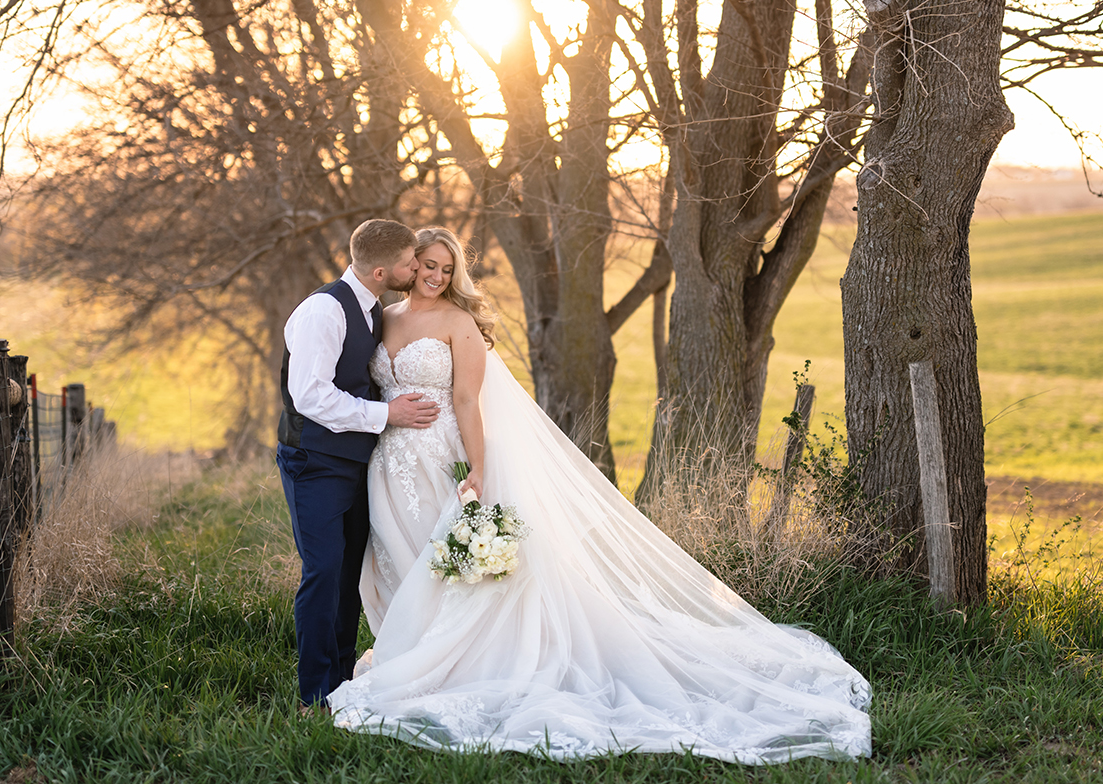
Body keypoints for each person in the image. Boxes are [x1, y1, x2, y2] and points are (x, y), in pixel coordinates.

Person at [329, 227, 873, 763]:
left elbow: (468, 401)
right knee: (401, 559)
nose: (437, 275)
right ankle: (416, 651)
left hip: (446, 459)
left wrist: (479, 469)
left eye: (448, 269)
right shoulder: (385, 319)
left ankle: (456, 663)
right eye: (429, 265)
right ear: (408, 263)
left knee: (451, 566)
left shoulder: (458, 322)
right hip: (390, 464)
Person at [275, 218, 440, 711]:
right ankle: (313, 694)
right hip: (315, 461)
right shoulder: (324, 311)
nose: (417, 268)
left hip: (355, 462)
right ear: (382, 270)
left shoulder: (373, 309)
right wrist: (386, 414)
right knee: (323, 572)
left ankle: (342, 681)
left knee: (349, 574)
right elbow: (309, 395)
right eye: (413, 262)